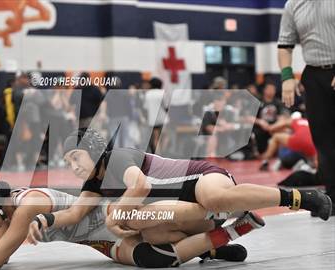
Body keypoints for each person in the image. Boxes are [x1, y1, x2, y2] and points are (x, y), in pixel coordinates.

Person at [0, 178, 257, 270]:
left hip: (110, 218)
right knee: (157, 258)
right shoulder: (11, 211)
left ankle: (221, 214)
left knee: (167, 227)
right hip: (100, 241)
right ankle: (223, 237)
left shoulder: (27, 205)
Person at [52, 128, 331, 238]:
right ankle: (217, 241)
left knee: (214, 200)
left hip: (197, 179)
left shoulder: (117, 158)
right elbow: (75, 213)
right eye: (68, 162)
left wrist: (116, 217)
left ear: (95, 150)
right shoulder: (93, 183)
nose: (74, 167)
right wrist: (42, 219)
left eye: (76, 157)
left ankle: (302, 198)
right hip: (180, 205)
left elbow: (140, 186)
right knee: (152, 235)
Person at [278, 0, 335, 213]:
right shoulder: (293, 4)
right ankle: (333, 194)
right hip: (313, 74)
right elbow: (285, 44)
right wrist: (286, 78)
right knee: (323, 138)